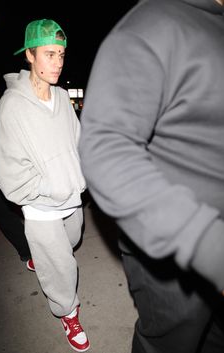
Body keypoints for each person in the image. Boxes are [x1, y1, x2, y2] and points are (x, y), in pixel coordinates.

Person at [79, 1, 224, 352]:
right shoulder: (153, 22)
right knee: (171, 343)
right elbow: (104, 147)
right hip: (171, 251)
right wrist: (208, 244)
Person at [0, 19, 89, 352]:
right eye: (49, 54)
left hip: (72, 199)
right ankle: (68, 312)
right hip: (41, 206)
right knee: (60, 267)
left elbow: (77, 144)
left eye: (61, 54)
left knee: (71, 244)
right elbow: (6, 166)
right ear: (29, 55)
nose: (58, 63)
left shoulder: (62, 97)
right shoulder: (12, 106)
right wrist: (42, 191)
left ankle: (44, 260)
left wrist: (81, 177)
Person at [0, 74, 34, 271]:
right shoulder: (0, 103)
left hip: (4, 163)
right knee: (6, 210)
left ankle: (31, 252)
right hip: (3, 163)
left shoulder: (1, 104)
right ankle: (31, 252)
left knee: (6, 210)